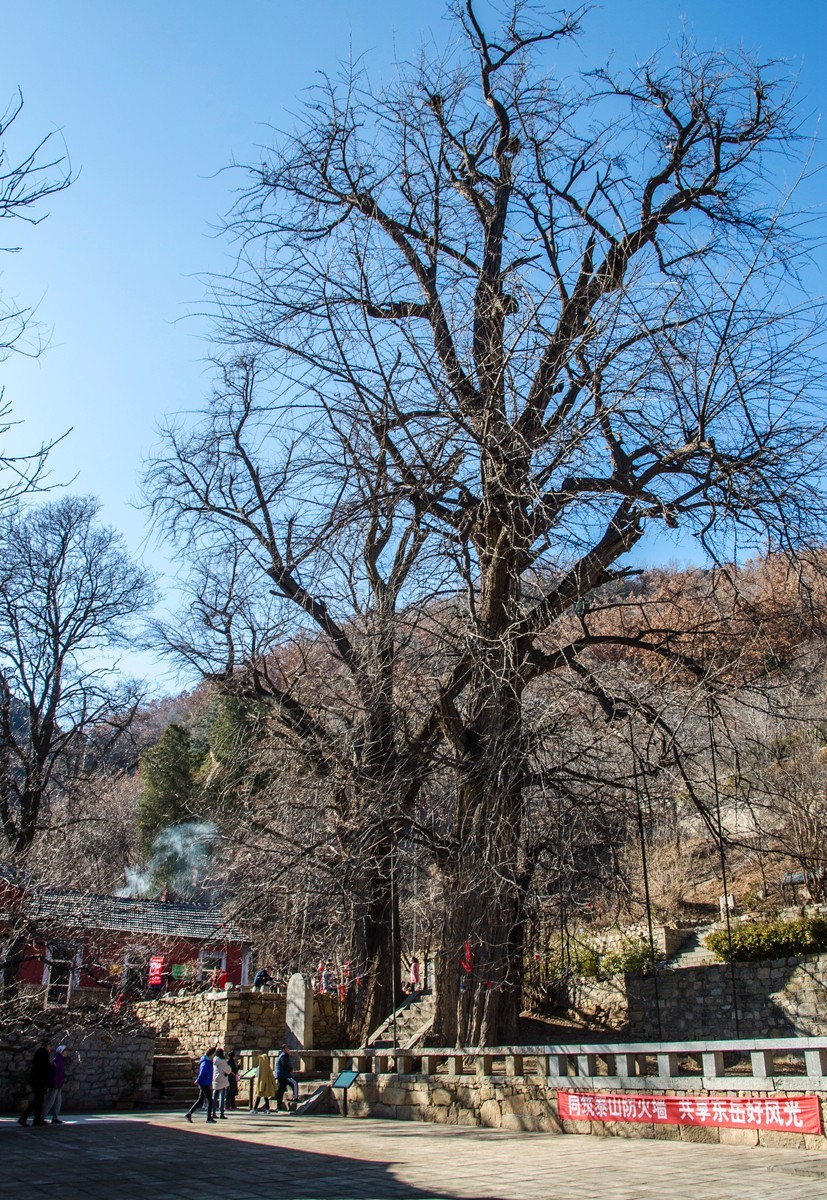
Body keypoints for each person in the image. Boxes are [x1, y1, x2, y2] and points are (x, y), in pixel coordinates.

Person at [18, 1040, 52, 1127]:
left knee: (39, 1100)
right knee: (37, 1100)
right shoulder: (43, 1054)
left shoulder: (41, 1053)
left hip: (38, 1080)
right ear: (46, 1045)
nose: (51, 1047)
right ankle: (24, 1118)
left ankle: (37, 1119)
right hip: (39, 1081)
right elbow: (45, 1068)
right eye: (49, 1045)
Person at [185, 1047, 216, 1123]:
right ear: (212, 1054)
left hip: (205, 1082)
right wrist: (198, 1081)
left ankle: (189, 1114)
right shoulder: (206, 1063)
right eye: (214, 1053)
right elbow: (202, 1073)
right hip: (204, 1083)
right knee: (210, 1100)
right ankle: (209, 1118)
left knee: (200, 1100)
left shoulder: (208, 1062)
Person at [43, 1044, 67, 1124]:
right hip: (55, 1084)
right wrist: (55, 1083)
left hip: (58, 1084)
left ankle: (55, 1117)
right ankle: (42, 1116)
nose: (66, 1052)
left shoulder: (61, 1059)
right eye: (65, 1051)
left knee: (58, 1101)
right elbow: (55, 1073)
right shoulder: (57, 1060)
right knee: (50, 1100)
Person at [275, 1044, 299, 1111]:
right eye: (287, 1048)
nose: (288, 1049)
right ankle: (296, 1098)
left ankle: (279, 1106)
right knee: (294, 1083)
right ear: (283, 1050)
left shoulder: (281, 1056)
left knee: (281, 1090)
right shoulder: (284, 1056)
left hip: (279, 1075)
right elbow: (285, 1065)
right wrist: (290, 1069)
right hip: (284, 1075)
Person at [211, 1047, 231, 1118]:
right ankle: (221, 1113)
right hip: (222, 1080)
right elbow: (228, 1070)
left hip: (215, 1080)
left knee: (214, 1097)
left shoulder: (214, 1060)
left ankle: (213, 1112)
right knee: (222, 1098)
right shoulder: (222, 1062)